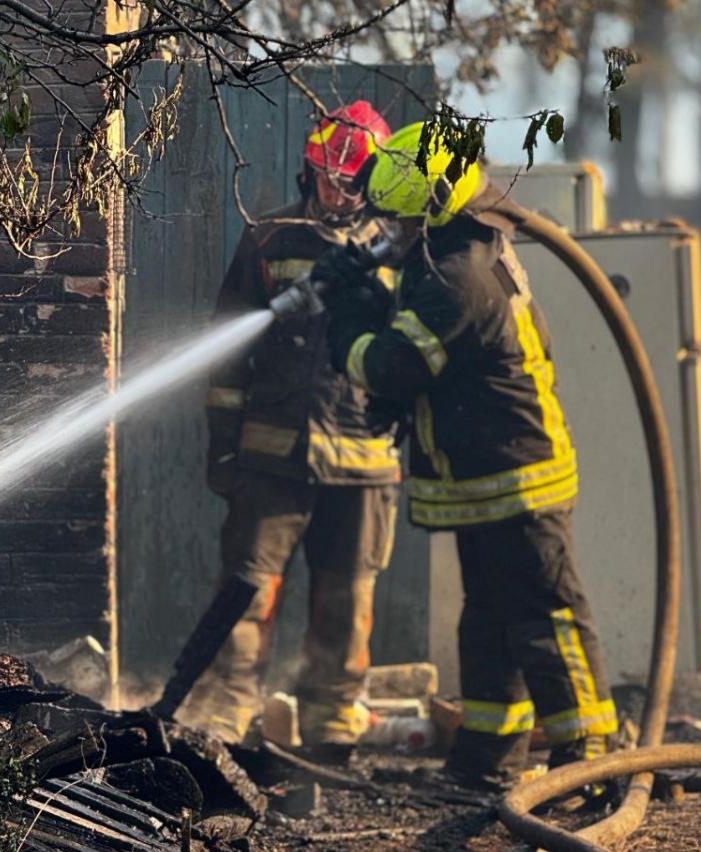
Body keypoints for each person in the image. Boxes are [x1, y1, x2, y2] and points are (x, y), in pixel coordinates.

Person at [313, 121, 618, 791]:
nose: (385, 231)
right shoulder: (448, 251)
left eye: (396, 218)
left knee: (546, 619)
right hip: (484, 476)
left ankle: (592, 764)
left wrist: (347, 318)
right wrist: (367, 289)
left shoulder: (460, 276)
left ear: (432, 209)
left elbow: (391, 365)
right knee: (488, 618)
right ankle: (487, 757)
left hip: (516, 475)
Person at [180, 101, 401, 760]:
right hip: (273, 457)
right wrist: (225, 445)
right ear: (310, 169)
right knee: (248, 588)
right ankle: (226, 714)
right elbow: (225, 350)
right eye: (326, 177)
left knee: (346, 595)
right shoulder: (270, 238)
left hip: (362, 461)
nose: (337, 192)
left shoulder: (396, 247)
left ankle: (332, 726)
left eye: (350, 181)